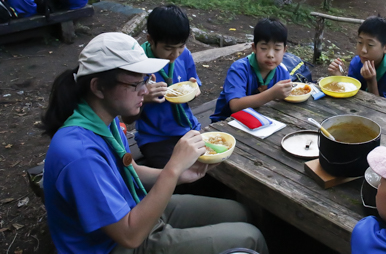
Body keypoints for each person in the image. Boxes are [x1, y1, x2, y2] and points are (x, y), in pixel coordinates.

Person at [42, 32, 268, 254]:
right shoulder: (79, 155)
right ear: (98, 87)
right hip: (115, 244)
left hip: (134, 206)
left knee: (239, 212)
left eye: (146, 79)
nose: (145, 89)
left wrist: (180, 175)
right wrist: (172, 169)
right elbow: (130, 236)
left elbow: (131, 171)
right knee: (251, 238)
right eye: (135, 84)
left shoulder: (104, 120)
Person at [132, 5, 203, 169]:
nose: (175, 54)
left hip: (188, 127)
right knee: (176, 174)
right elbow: (127, 118)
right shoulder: (139, 64)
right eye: (168, 48)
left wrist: (194, 89)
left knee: (213, 167)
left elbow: (194, 83)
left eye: (181, 46)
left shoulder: (184, 55)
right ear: (150, 39)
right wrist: (144, 98)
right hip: (156, 138)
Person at [210, 18, 292, 122]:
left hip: (262, 120)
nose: (270, 55)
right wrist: (272, 94)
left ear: (284, 50)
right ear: (254, 48)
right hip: (227, 123)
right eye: (264, 48)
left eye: (277, 49)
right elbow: (235, 105)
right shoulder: (239, 69)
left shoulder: (282, 72)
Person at [328, 16, 386, 107]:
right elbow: (351, 93)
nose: (363, 50)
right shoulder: (357, 62)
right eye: (360, 42)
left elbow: (385, 110)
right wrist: (338, 77)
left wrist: (371, 82)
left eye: (370, 45)